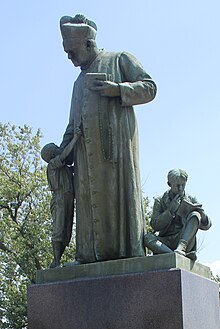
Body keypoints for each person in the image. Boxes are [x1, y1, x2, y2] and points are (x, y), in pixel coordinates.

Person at [59, 14, 157, 264]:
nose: (70, 58)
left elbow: (149, 87)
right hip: (85, 160)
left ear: (89, 44)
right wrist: (61, 153)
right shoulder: (77, 83)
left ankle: (126, 254)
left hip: (116, 154)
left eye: (72, 52)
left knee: (119, 200)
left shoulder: (119, 59)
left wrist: (119, 90)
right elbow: (72, 125)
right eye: (67, 52)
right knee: (88, 204)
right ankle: (88, 257)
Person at [144, 169, 211, 261]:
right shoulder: (160, 200)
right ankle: (173, 255)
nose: (180, 188)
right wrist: (170, 211)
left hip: (184, 239)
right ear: (169, 184)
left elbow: (207, 226)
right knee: (147, 238)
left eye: (183, 185)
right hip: (165, 242)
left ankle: (181, 248)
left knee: (195, 214)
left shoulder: (191, 199)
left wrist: (202, 215)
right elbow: (155, 225)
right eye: (177, 185)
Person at [41, 128, 81, 268]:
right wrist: (75, 138)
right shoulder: (53, 165)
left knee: (67, 230)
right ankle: (56, 260)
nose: (59, 148)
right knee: (59, 228)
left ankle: (57, 260)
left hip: (68, 198)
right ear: (51, 154)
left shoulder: (63, 167)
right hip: (59, 199)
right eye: (56, 148)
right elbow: (64, 155)